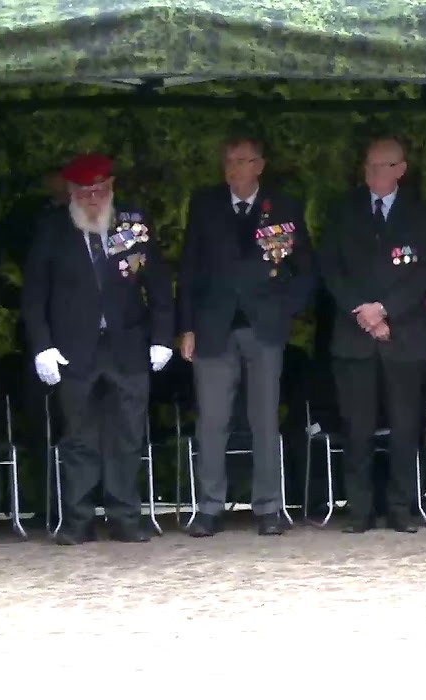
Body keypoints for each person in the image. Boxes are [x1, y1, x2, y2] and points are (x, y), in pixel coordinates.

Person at [22, 153, 175, 544]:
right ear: (71, 192)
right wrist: (43, 346)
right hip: (74, 348)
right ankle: (78, 519)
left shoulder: (133, 224)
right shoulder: (52, 228)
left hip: (127, 345)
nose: (94, 199)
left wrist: (162, 336)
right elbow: (35, 294)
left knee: (127, 434)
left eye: (100, 191)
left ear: (111, 188)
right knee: (78, 437)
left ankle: (126, 517)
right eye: (86, 193)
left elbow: (157, 284)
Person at [177, 134, 314, 537]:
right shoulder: (205, 204)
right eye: (229, 161)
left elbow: (305, 270)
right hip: (213, 325)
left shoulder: (283, 206)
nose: (234, 168)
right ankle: (209, 507)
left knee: (264, 419)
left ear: (259, 165)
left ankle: (269, 506)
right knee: (212, 421)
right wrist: (186, 326)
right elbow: (188, 270)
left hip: (263, 327)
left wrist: (284, 309)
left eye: (242, 161)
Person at [319, 138, 426, 534]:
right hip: (354, 336)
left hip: (403, 336)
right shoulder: (343, 210)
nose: (374, 173)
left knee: (406, 427)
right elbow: (331, 270)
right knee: (357, 428)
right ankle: (359, 510)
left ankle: (402, 508)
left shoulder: (421, 215)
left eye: (383, 166)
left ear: (401, 169)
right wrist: (365, 312)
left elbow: (425, 274)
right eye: (369, 166)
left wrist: (385, 310)